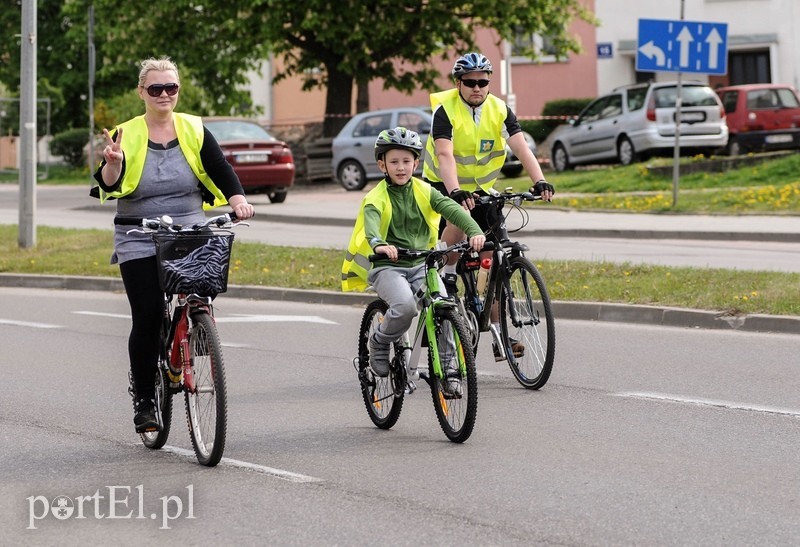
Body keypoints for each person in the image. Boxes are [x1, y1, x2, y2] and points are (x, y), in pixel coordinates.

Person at [91, 56, 255, 433]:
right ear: (141, 92)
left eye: (171, 88)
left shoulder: (194, 128)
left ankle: (195, 332)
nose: (164, 94)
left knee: (201, 292)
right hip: (138, 229)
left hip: (187, 225)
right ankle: (146, 399)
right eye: (155, 88)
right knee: (147, 316)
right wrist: (112, 162)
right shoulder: (125, 133)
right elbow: (109, 182)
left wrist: (237, 200)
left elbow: (219, 167)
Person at [422, 51, 554, 360]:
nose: (477, 88)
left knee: (493, 259)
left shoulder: (500, 109)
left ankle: (499, 338)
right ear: (459, 84)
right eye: (470, 83)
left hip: (481, 188)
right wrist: (454, 192)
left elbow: (520, 145)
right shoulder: (445, 111)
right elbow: (445, 156)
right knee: (459, 216)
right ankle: (450, 272)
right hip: (443, 185)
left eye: (483, 82)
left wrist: (540, 180)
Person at [341, 127, 485, 396]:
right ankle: (380, 341)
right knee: (405, 306)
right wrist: (379, 244)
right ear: (382, 164)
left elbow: (451, 208)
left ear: (416, 163)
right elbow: (371, 225)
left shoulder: (424, 190)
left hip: (421, 263)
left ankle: (449, 370)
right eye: (394, 162)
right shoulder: (375, 197)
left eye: (407, 161)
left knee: (444, 306)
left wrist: (474, 230)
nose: (401, 167)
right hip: (387, 267)